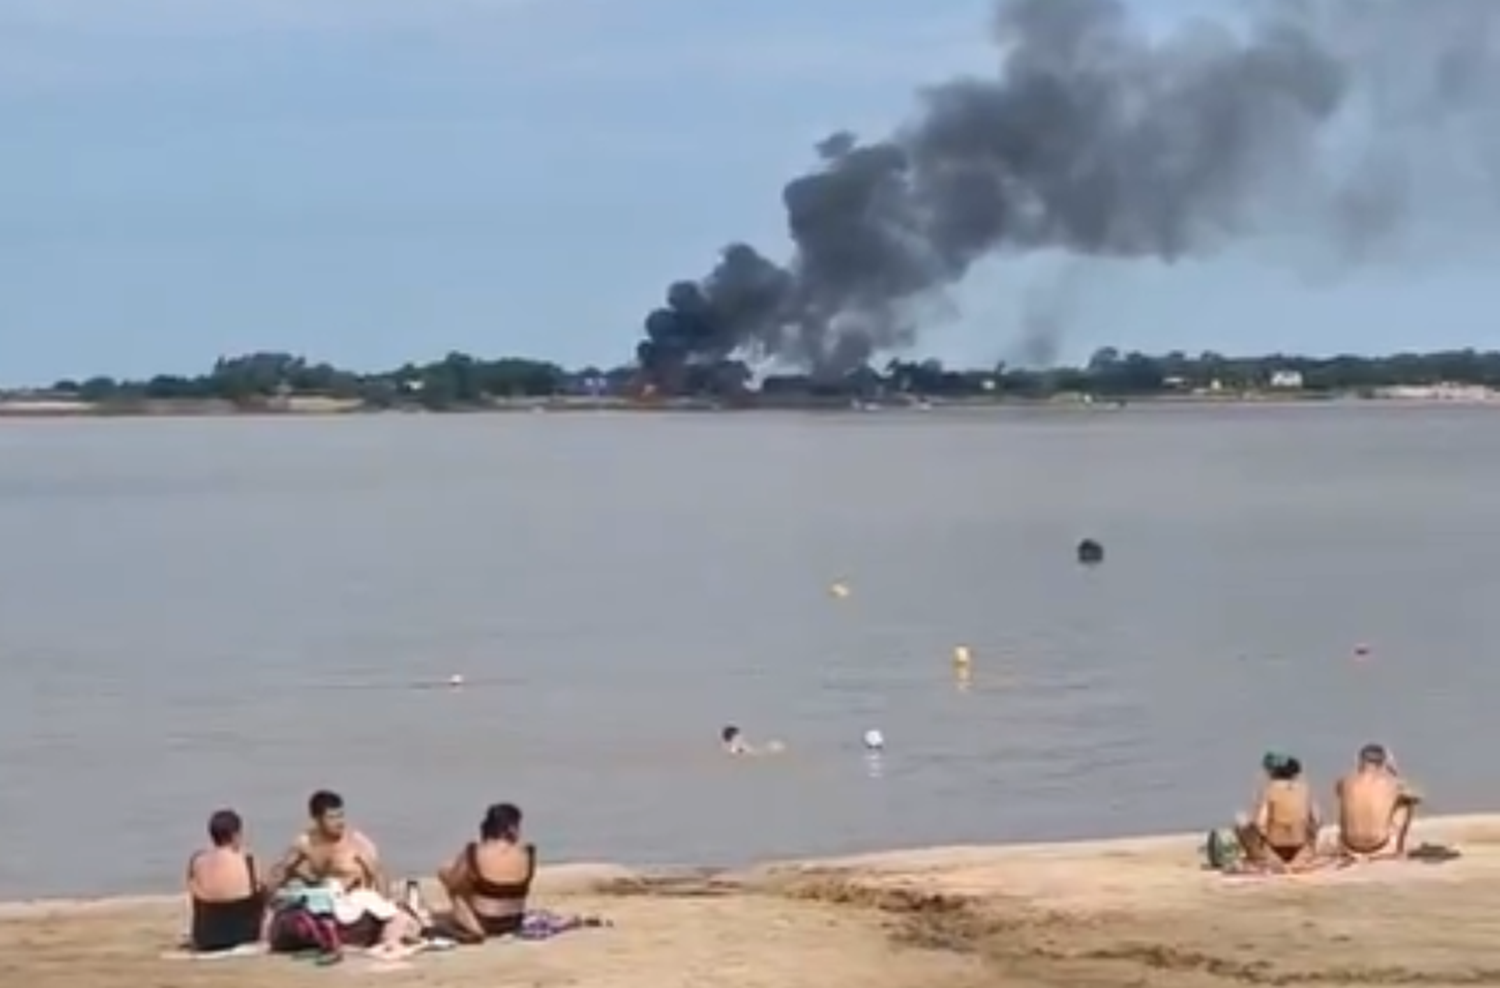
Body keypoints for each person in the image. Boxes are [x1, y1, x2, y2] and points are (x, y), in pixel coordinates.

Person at [267, 790, 414, 949]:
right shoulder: (306, 842)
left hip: (353, 903)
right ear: (316, 819)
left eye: (341, 816)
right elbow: (282, 870)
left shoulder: (356, 842)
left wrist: (385, 903)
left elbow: (379, 874)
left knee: (390, 916)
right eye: (332, 817)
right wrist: (273, 893)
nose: (339, 822)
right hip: (325, 900)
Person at [436, 803, 536, 942]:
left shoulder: (473, 851)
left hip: (485, 924)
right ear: (511, 828)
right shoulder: (527, 853)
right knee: (480, 882)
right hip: (514, 922)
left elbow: (453, 882)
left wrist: (444, 875)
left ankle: (475, 930)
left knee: (455, 890)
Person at [186, 809, 267, 952]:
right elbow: (261, 892)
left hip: (207, 937)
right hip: (246, 935)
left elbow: (194, 894)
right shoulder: (249, 861)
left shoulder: (197, 861)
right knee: (263, 890)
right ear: (235, 835)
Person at [1234, 752, 1321, 871]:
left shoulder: (1269, 789)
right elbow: (1317, 819)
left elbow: (1260, 823)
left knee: (1240, 820)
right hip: (1300, 849)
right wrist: (1310, 840)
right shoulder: (1305, 788)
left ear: (1273, 772)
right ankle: (1299, 859)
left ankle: (1262, 859)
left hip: (1274, 851)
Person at [1335, 743, 1421, 860]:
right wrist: (1395, 773)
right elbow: (1418, 797)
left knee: (1349, 798)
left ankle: (1349, 838)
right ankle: (1399, 849)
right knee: (1406, 802)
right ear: (1384, 762)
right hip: (1379, 846)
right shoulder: (1393, 783)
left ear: (1359, 761)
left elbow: (1338, 792)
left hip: (1349, 845)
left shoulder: (1343, 781)